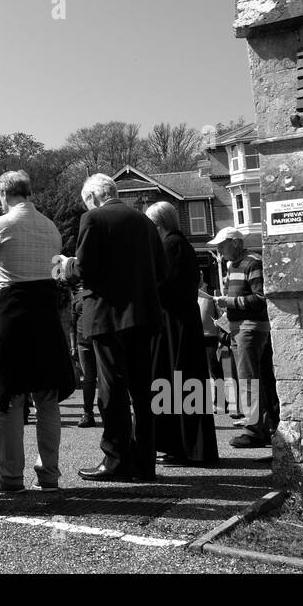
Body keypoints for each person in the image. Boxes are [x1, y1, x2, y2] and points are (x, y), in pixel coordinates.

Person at [60, 174, 165, 483]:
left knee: (112, 390)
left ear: (93, 197)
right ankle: (145, 463)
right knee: (142, 390)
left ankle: (116, 459)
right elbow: (162, 270)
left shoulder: (93, 218)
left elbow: (85, 269)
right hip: (143, 315)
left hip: (107, 316)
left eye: (85, 201)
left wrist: (67, 268)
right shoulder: (146, 222)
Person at [0, 171, 74, 493]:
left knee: (9, 397)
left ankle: (9, 475)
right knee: (47, 397)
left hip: (13, 313)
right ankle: (48, 474)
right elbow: (54, 273)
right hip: (46, 314)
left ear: (3, 195)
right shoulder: (51, 227)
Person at [146, 202, 219, 465]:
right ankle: (186, 446)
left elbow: (163, 285)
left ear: (159, 224)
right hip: (180, 322)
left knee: (175, 381)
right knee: (183, 382)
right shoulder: (181, 244)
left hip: (173, 324)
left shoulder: (171, 246)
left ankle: (181, 447)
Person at [210, 227, 279, 448]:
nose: (219, 251)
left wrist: (227, 303)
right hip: (239, 327)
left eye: (222, 245)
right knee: (250, 378)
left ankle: (254, 430)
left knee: (249, 379)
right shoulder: (235, 265)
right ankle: (262, 425)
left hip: (250, 328)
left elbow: (261, 298)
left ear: (236, 243)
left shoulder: (251, 262)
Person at [198, 278, 237, 415]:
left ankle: (220, 403)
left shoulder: (211, 294)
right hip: (195, 337)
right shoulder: (189, 293)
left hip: (210, 337)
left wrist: (223, 333)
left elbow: (221, 314)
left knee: (214, 369)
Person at [70, 277, 99, 428]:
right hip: (83, 342)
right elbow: (72, 323)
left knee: (104, 379)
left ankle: (107, 411)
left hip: (100, 340)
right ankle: (88, 414)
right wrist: (73, 345)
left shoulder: (100, 290)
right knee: (88, 379)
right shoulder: (77, 297)